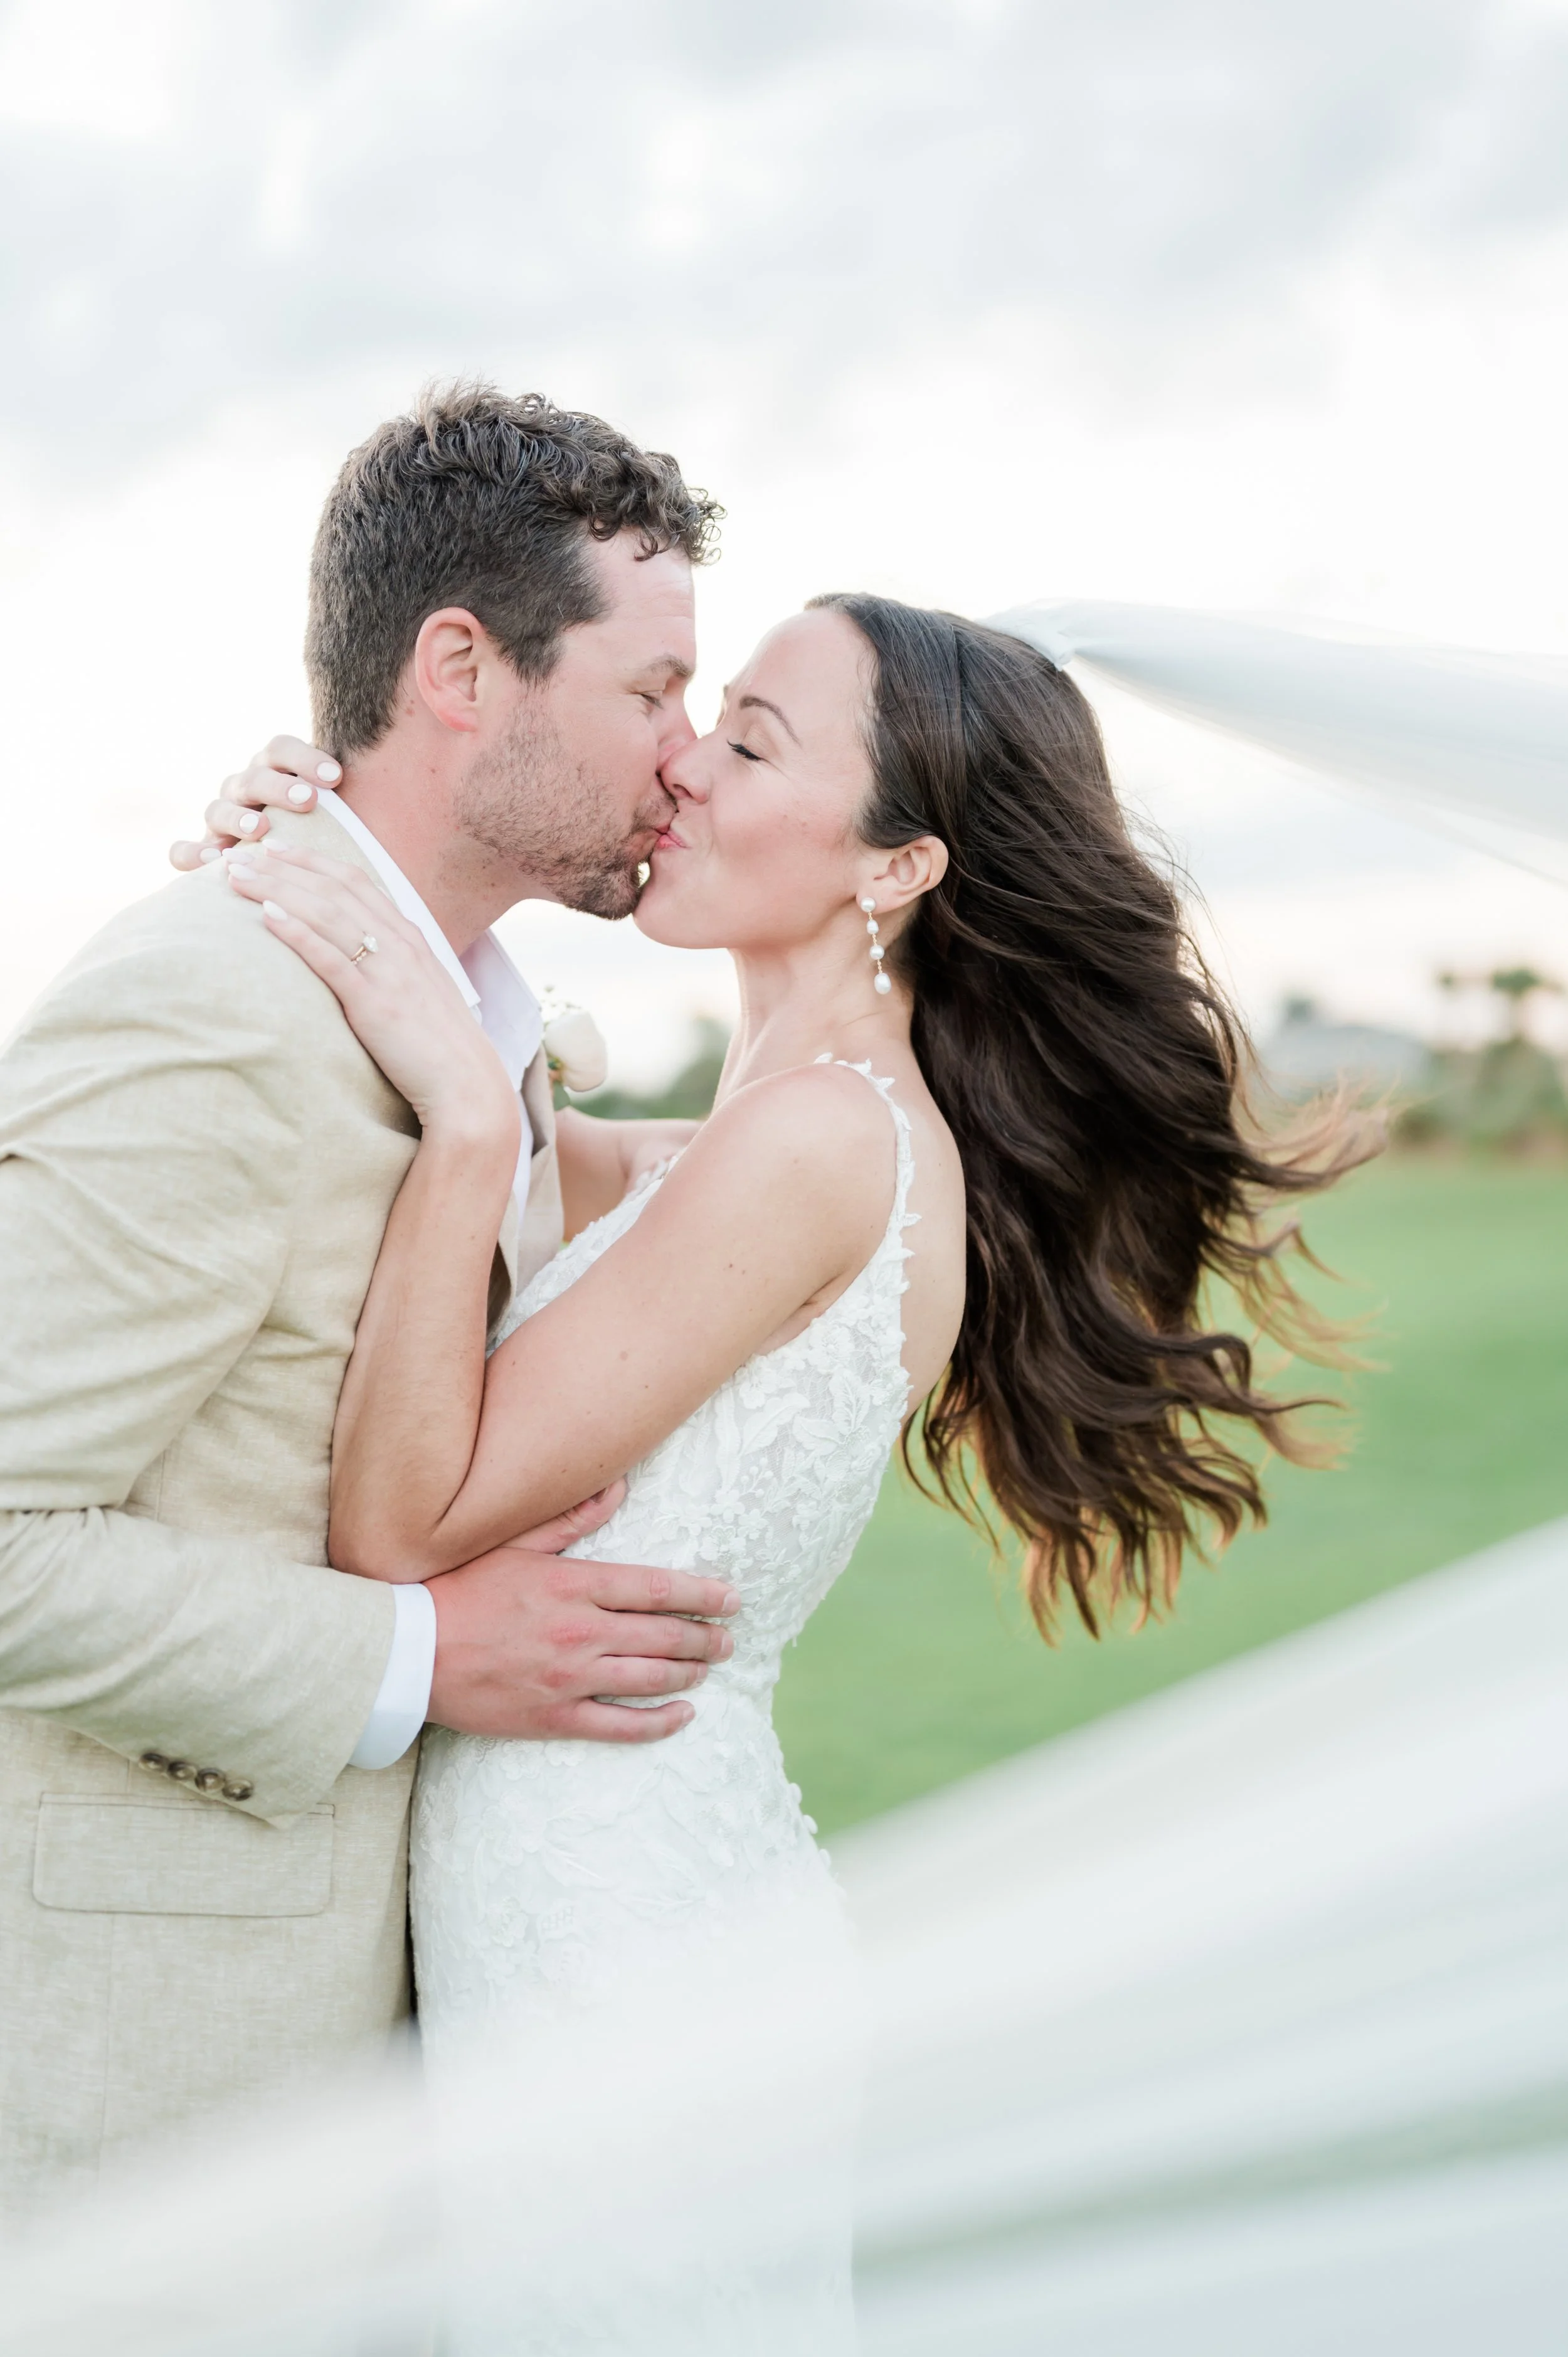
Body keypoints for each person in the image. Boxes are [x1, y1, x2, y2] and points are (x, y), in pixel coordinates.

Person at [199, 583, 1362, 2345]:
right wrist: (312, 851)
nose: (678, 766)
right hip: (600, 1901)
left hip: (619, 1948)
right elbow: (495, 1104)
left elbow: (398, 1519)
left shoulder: (822, 1145)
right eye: (699, 713)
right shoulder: (757, 1138)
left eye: (747, 739)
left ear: (893, 866)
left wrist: (457, 1130)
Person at [0, 385, 739, 2215]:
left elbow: (761, 1174)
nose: (687, 756)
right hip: (143, 2107)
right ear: (462, 669)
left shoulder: (472, 1025)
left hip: (392, 2088)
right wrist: (416, 1659)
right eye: (653, 691)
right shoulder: (212, 1001)